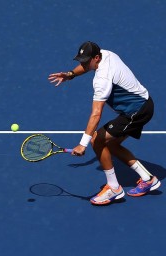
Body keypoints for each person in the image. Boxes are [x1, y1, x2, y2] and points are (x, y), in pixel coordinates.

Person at [48, 41, 161, 205]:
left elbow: (96, 113)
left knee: (97, 140)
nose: (83, 64)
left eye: (87, 61)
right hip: (143, 104)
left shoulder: (102, 79)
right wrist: (71, 74)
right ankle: (148, 179)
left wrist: (82, 144)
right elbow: (86, 66)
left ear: (96, 58)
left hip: (136, 112)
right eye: (81, 60)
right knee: (112, 145)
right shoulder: (107, 54)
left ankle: (114, 189)